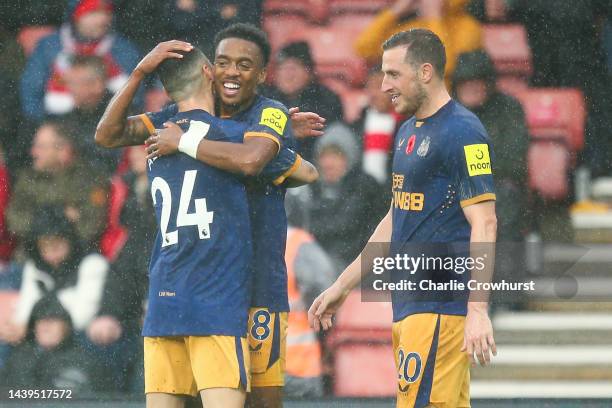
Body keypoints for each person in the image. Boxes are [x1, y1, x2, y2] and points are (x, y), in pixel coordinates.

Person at [95, 36, 320, 407]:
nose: (231, 71)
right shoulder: (178, 123)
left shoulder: (268, 114)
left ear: (262, 74)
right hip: (216, 289)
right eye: (223, 62)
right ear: (209, 70)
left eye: (243, 65)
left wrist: (278, 136)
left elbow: (107, 135)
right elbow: (302, 172)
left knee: (262, 400)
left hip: (250, 283)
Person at [309, 29, 498, 407]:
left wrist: (477, 308)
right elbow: (397, 216)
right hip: (411, 303)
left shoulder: (463, 132)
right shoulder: (409, 131)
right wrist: (342, 286)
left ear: (426, 72)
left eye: (394, 74)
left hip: (440, 306)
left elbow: (485, 221)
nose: (384, 85)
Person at [0, 207, 109, 346]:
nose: (51, 254)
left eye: (57, 245)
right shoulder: (35, 265)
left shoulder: (93, 263)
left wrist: (37, 322)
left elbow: (82, 315)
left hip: (81, 336)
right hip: (42, 331)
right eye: (45, 248)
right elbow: (27, 302)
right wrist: (20, 325)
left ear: (69, 240)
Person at [19, 0, 141, 122]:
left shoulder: (123, 48)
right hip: (57, 122)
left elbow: (135, 98)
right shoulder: (50, 45)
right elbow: (31, 92)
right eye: (93, 12)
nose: (102, 19)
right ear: (76, 16)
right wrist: (43, 123)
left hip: (107, 124)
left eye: (107, 12)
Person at [6, 120, 109, 252]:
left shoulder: (90, 180)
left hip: (79, 256)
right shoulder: (28, 178)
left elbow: (91, 227)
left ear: (63, 150)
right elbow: (14, 221)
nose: (33, 152)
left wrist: (62, 236)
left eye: (41, 147)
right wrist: (55, 215)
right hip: (34, 254)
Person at [354, 0, 482, 81]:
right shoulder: (415, 25)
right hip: (410, 104)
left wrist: (434, 19)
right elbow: (364, 48)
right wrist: (394, 12)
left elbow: (445, 67)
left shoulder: (469, 27)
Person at [261, 41, 344, 162]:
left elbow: (329, 135)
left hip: (313, 163)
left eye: (294, 68)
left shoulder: (326, 98)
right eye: (283, 68)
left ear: (309, 72)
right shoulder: (265, 97)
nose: (288, 74)